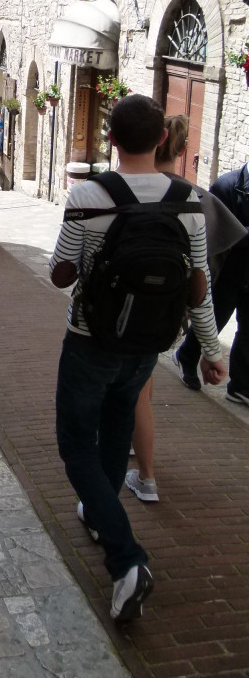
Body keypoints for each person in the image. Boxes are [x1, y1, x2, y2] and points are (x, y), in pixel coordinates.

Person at [50, 95, 226, 623]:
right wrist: (211, 350)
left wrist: (85, 250)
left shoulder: (88, 194)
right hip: (150, 344)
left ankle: (127, 560)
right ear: (161, 141)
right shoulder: (189, 200)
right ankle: (101, 517)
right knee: (115, 427)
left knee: (76, 445)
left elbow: (61, 270)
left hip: (91, 338)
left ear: (111, 140)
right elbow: (198, 285)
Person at [127, 116, 244, 502]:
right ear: (178, 149)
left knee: (127, 390)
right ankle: (142, 471)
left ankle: (142, 477)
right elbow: (203, 280)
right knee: (140, 385)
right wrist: (210, 349)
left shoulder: (113, 189)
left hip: (117, 311)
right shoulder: (197, 200)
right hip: (166, 314)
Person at [173, 159, 249, 405]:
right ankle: (187, 355)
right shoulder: (227, 186)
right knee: (214, 318)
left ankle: (240, 386)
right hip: (227, 269)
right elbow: (213, 233)